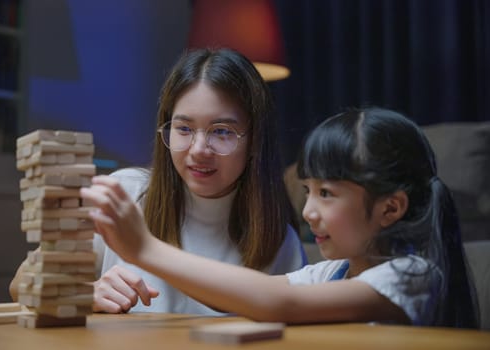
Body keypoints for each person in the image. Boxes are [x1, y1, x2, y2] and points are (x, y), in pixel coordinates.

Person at [81, 107, 480, 328]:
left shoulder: (412, 276)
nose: (308, 211)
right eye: (308, 192)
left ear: (389, 208)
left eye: (327, 194)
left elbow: (278, 301)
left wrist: (146, 249)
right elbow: (250, 294)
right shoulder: (331, 272)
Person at [9, 48, 307, 315]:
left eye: (222, 131)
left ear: (255, 140)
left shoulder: (282, 243)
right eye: (184, 128)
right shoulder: (124, 194)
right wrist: (83, 293)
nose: (199, 150)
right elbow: (21, 284)